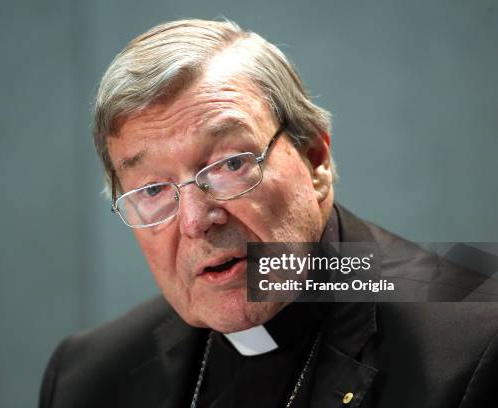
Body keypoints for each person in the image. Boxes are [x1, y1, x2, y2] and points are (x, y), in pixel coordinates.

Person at [39, 19, 498, 407]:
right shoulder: (85, 378)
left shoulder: (477, 343)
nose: (198, 220)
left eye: (230, 165)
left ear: (315, 160)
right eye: (154, 189)